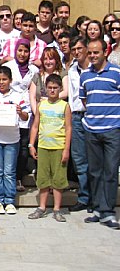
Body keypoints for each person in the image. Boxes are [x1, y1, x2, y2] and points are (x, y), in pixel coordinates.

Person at [79, 39, 120, 229]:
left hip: (112, 129)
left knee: (110, 171)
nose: (93, 56)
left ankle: (108, 211)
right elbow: (85, 100)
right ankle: (97, 208)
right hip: (91, 129)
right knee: (95, 172)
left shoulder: (116, 73)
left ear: (105, 52)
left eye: (96, 52)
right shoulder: (85, 75)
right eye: (91, 53)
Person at [28, 74, 71, 222]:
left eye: (55, 88)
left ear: (60, 89)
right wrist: (31, 144)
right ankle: (41, 207)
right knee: (43, 178)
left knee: (58, 179)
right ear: (45, 89)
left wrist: (66, 149)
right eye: (50, 88)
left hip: (58, 147)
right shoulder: (41, 105)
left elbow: (68, 128)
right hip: (43, 147)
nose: (52, 90)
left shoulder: (64, 106)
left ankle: (57, 209)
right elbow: (35, 126)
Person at [0, 66, 29, 216]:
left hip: (12, 139)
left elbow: (26, 117)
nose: (1, 82)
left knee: (9, 172)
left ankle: (10, 200)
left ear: (10, 80)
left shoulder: (17, 97)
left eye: (4, 79)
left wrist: (20, 112)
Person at [2, 38, 38, 192]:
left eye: (25, 51)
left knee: (23, 146)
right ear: (15, 51)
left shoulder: (34, 70)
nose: (22, 54)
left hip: (26, 111)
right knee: (10, 145)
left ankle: (18, 177)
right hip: (9, 110)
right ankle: (6, 177)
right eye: (20, 50)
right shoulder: (7, 67)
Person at [66, 36, 90, 212]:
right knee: (79, 159)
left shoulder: (95, 69)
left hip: (93, 116)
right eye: (73, 49)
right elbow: (72, 95)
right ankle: (84, 197)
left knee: (96, 160)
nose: (76, 52)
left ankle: (97, 198)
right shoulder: (72, 70)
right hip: (76, 116)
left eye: (79, 48)